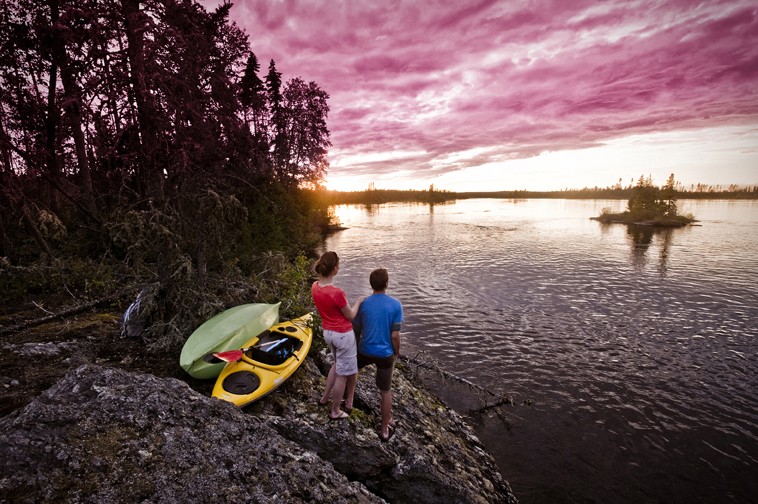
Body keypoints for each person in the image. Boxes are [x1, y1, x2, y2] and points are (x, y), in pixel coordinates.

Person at [311, 251, 364, 420]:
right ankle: (335, 410)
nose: (339, 268)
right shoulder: (337, 293)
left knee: (337, 364)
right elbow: (350, 316)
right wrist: (358, 302)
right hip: (343, 335)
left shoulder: (315, 286)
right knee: (342, 374)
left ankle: (325, 397)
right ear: (334, 269)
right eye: (338, 265)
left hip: (328, 333)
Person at [353, 268, 403, 442]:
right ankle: (384, 430)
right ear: (387, 284)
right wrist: (396, 352)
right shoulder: (395, 304)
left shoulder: (364, 304)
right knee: (385, 391)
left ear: (371, 284)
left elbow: (356, 330)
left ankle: (347, 402)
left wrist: (356, 349)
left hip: (364, 351)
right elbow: (395, 335)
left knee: (351, 371)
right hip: (385, 355)